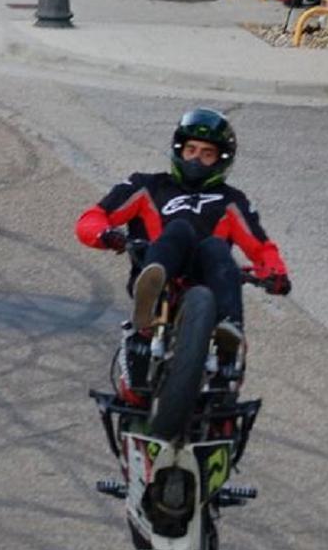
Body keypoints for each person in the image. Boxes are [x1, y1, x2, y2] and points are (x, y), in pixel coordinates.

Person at [75, 109, 291, 388]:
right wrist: (105, 235)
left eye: (207, 153)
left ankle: (229, 332)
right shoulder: (146, 185)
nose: (196, 160)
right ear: (179, 149)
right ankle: (149, 302)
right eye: (191, 150)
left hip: (207, 280)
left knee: (214, 246)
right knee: (180, 229)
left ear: (221, 160)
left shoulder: (232, 200)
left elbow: (261, 248)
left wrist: (275, 274)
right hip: (161, 270)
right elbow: (92, 217)